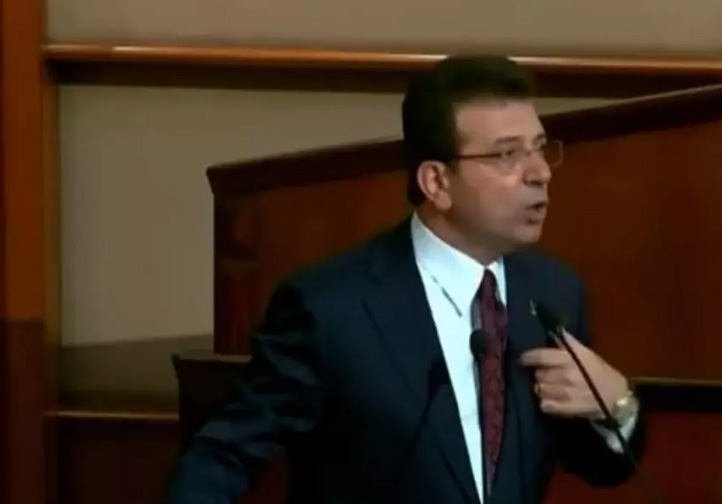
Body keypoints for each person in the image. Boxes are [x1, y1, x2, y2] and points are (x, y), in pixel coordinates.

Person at [164, 54, 645, 504]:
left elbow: (601, 466)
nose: (540, 173)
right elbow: (222, 458)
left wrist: (617, 407)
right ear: (436, 182)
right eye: (506, 155)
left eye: (539, 148)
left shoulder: (553, 294)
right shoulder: (330, 309)